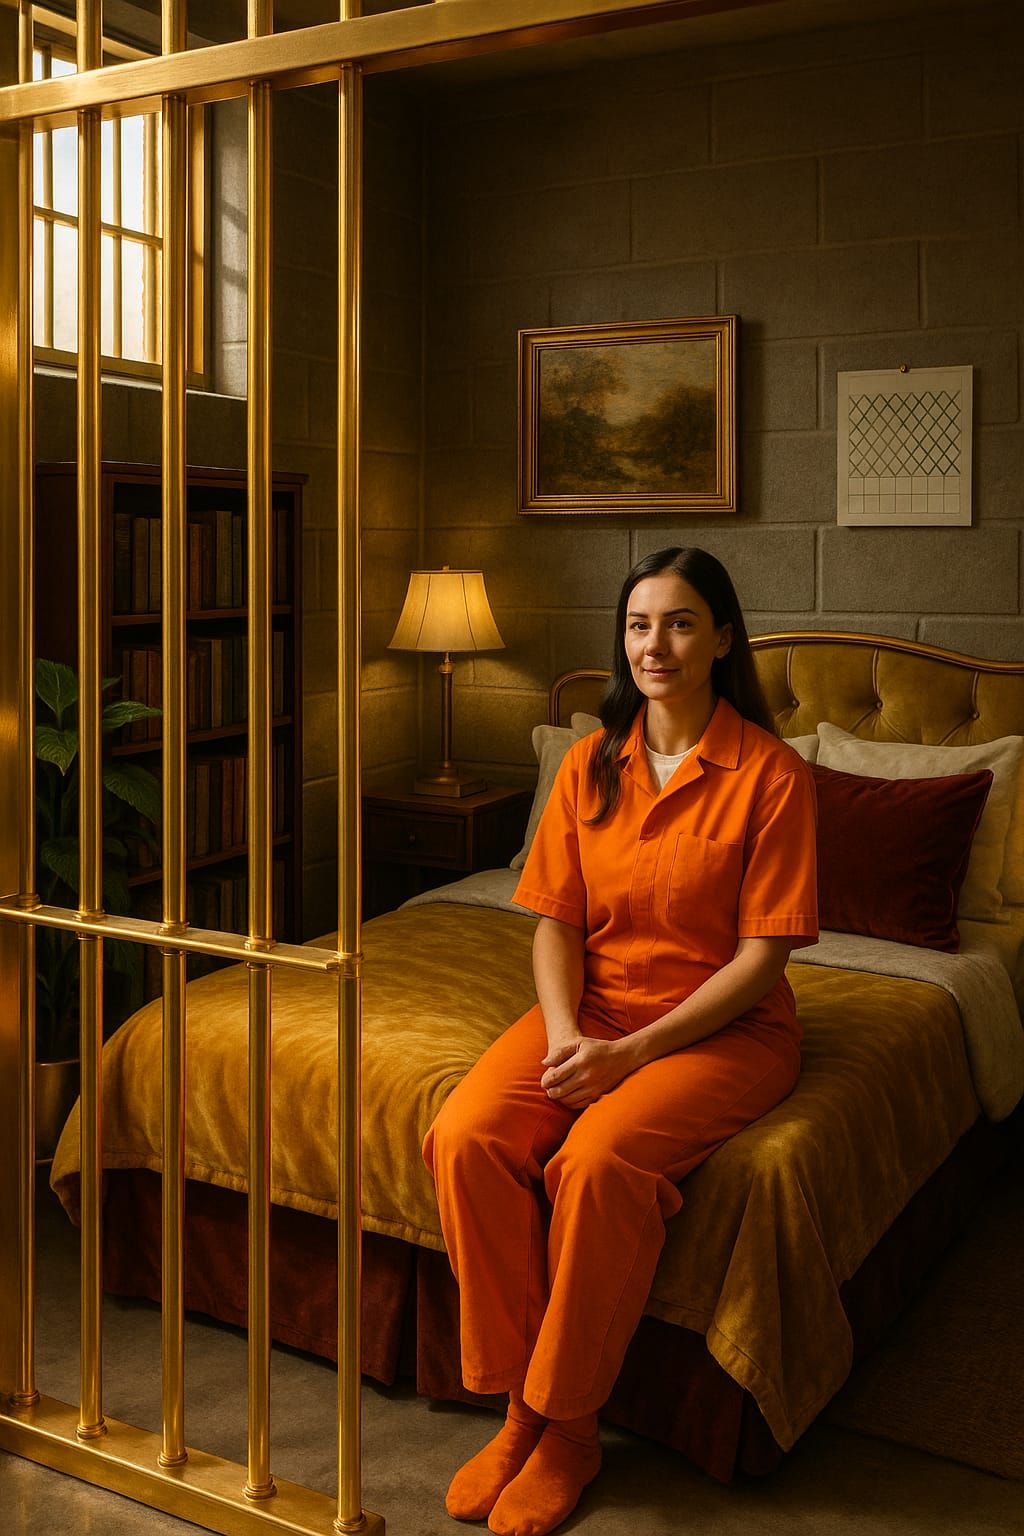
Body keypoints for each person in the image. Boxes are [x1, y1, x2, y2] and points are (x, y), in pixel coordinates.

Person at [423, 546, 818, 1536]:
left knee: (595, 1165)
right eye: (640, 625)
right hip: (592, 1013)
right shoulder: (588, 763)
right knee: (464, 1135)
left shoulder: (772, 776)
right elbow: (554, 922)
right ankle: (519, 1407)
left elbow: (761, 961)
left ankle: (566, 1429)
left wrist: (630, 1059)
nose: (656, 645)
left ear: (722, 640)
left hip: (724, 1030)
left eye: (680, 623)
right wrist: (567, 1039)